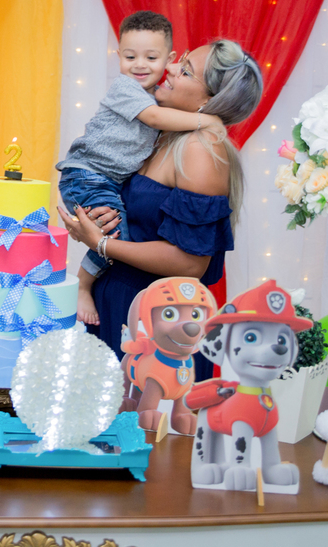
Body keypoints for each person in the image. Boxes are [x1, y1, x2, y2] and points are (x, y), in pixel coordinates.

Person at [57, 38, 263, 380]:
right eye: (178, 61)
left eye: (184, 71)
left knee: (148, 428)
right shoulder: (161, 133)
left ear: (209, 101)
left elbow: (190, 262)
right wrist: (100, 217)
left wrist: (102, 244)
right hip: (118, 304)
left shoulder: (201, 148)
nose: (166, 69)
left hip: (157, 320)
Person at [56, 11, 215, 326]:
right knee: (116, 236)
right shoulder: (127, 90)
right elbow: (155, 121)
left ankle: (85, 281)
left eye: (151, 57)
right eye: (130, 56)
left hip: (103, 179)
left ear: (169, 58)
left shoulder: (157, 97)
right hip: (87, 173)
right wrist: (208, 120)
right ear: (118, 57)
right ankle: (82, 285)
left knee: (112, 231)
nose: (139, 65)